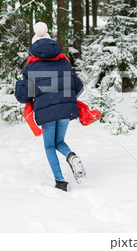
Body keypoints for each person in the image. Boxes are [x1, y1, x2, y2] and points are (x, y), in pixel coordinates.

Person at [15, 22, 86, 192]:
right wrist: (64, 98)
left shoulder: (31, 65)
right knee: (59, 141)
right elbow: (79, 87)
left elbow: (24, 96)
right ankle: (71, 156)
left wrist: (20, 85)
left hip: (46, 113)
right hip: (66, 110)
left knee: (49, 146)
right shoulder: (64, 61)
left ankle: (60, 181)